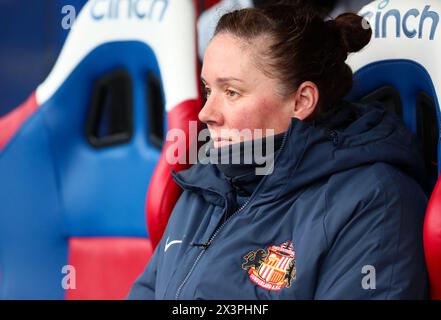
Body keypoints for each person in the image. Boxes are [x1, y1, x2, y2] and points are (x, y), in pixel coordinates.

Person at [128, 3, 429, 299]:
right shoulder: (204, 185)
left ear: (301, 101)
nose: (206, 113)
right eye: (208, 90)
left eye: (231, 92)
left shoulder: (375, 200)